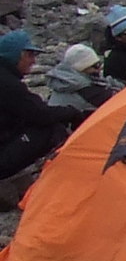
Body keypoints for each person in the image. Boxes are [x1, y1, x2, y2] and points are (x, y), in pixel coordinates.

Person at [0, 30, 78, 187]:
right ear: (16, 56)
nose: (33, 61)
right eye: (29, 55)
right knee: (50, 129)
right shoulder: (8, 84)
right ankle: (63, 177)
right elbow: (40, 114)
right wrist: (73, 112)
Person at [44, 43, 120, 116]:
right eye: (95, 65)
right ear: (82, 67)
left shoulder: (63, 82)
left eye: (99, 63)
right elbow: (117, 101)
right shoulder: (86, 90)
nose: (99, 69)